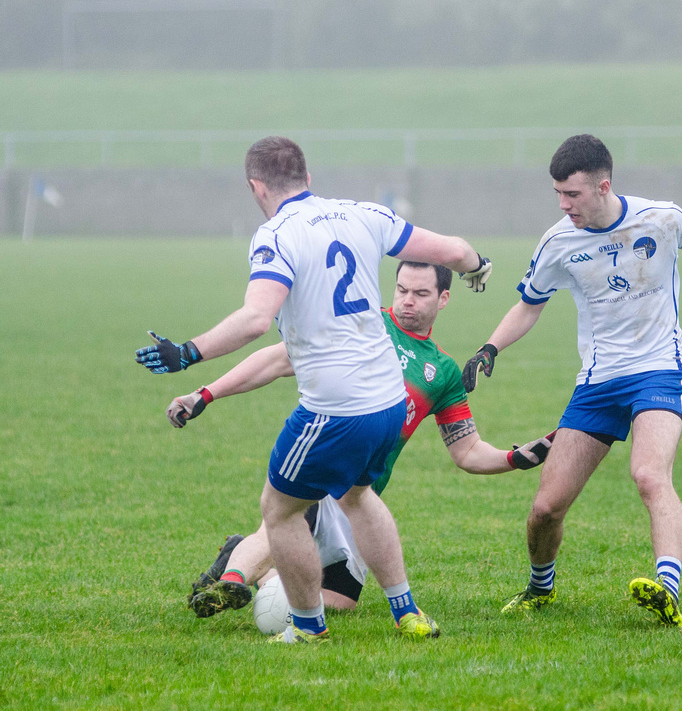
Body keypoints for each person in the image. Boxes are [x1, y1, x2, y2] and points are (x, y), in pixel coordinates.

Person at [135, 136, 494, 643]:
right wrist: (478, 266)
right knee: (357, 494)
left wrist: (187, 352)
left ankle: (305, 628)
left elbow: (257, 318)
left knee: (279, 511)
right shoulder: (363, 213)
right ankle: (406, 612)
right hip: (390, 402)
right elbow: (456, 251)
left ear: (255, 187)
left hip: (335, 408)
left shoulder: (275, 236)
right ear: (308, 178)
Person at [461, 134, 682, 626]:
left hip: (660, 367)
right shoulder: (558, 242)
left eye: (572, 194)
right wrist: (490, 347)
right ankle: (541, 587)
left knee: (649, 474)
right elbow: (529, 306)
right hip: (599, 381)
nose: (563, 204)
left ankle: (668, 588)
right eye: (557, 193)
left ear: (603, 186)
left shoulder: (660, 218)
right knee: (546, 508)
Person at [173, 261, 555, 618]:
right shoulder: (361, 325)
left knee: (339, 602)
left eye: (420, 293)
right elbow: (278, 360)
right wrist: (206, 394)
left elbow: (467, 450)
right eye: (401, 289)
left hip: (363, 493)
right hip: (329, 450)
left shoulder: (442, 371)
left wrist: (515, 458)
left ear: (443, 298)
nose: (407, 300)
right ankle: (229, 583)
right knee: (288, 515)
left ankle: (246, 563)